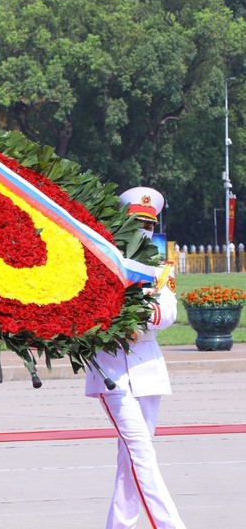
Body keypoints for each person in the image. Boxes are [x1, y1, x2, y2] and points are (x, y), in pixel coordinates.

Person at [85, 187, 186, 529]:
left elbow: (168, 311)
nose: (143, 230)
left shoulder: (158, 267)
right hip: (112, 369)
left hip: (148, 369)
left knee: (132, 460)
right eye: (136, 222)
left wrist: (133, 315)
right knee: (140, 453)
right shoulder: (101, 261)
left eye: (148, 224)